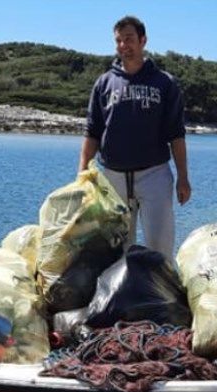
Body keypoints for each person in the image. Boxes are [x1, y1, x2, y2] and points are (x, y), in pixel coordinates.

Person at [80, 16, 191, 259]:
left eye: (129, 39)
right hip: (113, 177)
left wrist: (183, 177)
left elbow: (176, 134)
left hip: (154, 175)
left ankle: (160, 283)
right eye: (118, 41)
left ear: (143, 40)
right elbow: (92, 132)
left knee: (159, 250)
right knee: (116, 251)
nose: (123, 46)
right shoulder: (104, 83)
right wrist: (82, 176)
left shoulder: (164, 83)